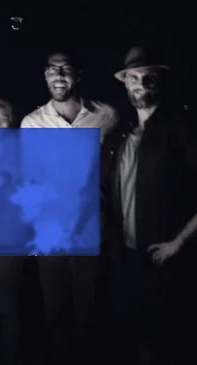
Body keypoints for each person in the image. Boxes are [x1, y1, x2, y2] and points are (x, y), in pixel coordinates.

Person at [20, 50, 118, 365]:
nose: (59, 76)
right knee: (53, 308)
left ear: (78, 74)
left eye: (65, 69)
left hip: (91, 228)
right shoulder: (32, 123)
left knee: (86, 307)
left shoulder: (106, 116)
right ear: (45, 75)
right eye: (52, 70)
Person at [102, 46, 197, 365]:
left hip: (164, 260)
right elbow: (102, 191)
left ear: (159, 82)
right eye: (134, 77)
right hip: (125, 259)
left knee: (163, 341)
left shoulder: (181, 129)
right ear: (125, 83)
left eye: (148, 77)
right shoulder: (118, 136)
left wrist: (179, 243)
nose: (141, 83)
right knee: (128, 335)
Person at [0, 97, 33, 365]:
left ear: (10, 122)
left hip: (8, 238)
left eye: (2, 119)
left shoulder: (15, 148)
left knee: (6, 304)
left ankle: (10, 356)